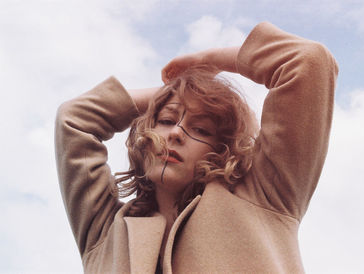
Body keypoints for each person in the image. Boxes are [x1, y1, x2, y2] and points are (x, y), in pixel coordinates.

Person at [55, 21, 338, 273]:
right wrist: (176, 91)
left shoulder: (265, 194)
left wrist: (206, 61)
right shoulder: (104, 231)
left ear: (221, 150)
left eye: (201, 129)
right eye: (165, 120)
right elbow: (75, 119)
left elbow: (308, 61)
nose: (176, 133)